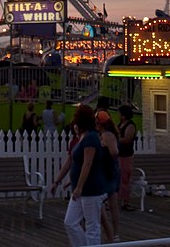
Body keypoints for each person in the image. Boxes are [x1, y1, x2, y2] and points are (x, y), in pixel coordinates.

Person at [59, 105, 108, 246]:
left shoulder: (92, 138)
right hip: (80, 188)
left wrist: (79, 187)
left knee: (92, 225)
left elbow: (88, 163)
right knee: (70, 222)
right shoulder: (83, 137)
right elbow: (76, 162)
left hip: (91, 188)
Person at [95, 110, 122, 242]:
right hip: (111, 170)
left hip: (109, 171)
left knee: (111, 203)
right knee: (111, 203)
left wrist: (105, 153)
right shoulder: (110, 133)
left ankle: (114, 233)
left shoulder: (107, 135)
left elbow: (115, 152)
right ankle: (113, 233)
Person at [116, 104, 138, 211]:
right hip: (118, 154)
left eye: (119, 113)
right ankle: (117, 199)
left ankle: (125, 201)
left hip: (126, 155)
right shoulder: (120, 124)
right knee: (117, 178)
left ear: (124, 115)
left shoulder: (130, 125)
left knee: (125, 178)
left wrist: (116, 139)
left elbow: (127, 139)